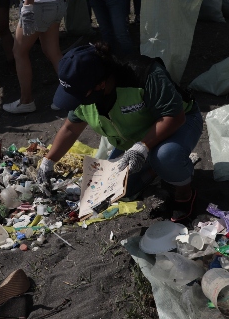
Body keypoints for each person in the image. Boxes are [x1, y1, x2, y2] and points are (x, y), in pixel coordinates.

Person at [37, 43, 203, 221]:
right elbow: (70, 128)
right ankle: (155, 168)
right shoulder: (84, 93)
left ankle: (183, 192)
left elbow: (174, 116)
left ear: (100, 84)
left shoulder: (143, 75)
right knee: (120, 190)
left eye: (78, 95)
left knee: (166, 156)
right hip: (134, 139)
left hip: (179, 123)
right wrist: (49, 161)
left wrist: (143, 147)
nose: (74, 101)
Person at [2, 0, 67, 114]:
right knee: (52, 51)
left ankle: (26, 101)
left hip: (39, 4)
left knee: (19, 51)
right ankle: (71, 94)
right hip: (54, 0)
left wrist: (27, 6)